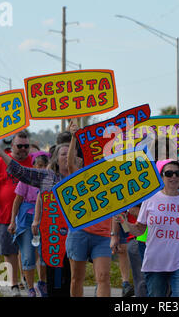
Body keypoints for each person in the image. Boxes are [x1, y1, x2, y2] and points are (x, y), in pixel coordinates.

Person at [0, 140, 73, 296]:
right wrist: (1, 152)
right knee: (55, 279)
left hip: (74, 235)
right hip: (54, 236)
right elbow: (21, 172)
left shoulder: (81, 175)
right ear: (56, 159)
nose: (68, 157)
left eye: (71, 153)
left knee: (72, 278)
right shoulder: (48, 177)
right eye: (63, 154)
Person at [125, 159, 179, 297]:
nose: (174, 177)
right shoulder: (150, 199)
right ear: (161, 176)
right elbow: (139, 229)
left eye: (178, 173)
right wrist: (124, 222)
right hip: (156, 260)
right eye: (169, 173)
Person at [66, 122, 113, 297]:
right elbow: (70, 165)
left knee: (103, 276)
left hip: (102, 235)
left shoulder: (112, 176)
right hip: (79, 231)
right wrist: (73, 137)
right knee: (77, 278)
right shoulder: (83, 174)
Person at [0, 131, 32, 296]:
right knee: (9, 251)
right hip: (4, 216)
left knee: (27, 251)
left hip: (28, 217)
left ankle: (27, 280)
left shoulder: (33, 162)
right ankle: (13, 284)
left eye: (26, 146)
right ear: (12, 146)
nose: (23, 149)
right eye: (20, 146)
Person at [8, 152, 50, 297]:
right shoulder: (26, 180)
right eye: (39, 165)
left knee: (45, 254)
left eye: (45, 166)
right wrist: (12, 220)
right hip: (26, 220)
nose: (42, 168)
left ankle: (42, 283)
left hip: (45, 220)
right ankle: (30, 288)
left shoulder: (50, 181)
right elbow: (17, 201)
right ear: (33, 167)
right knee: (27, 255)